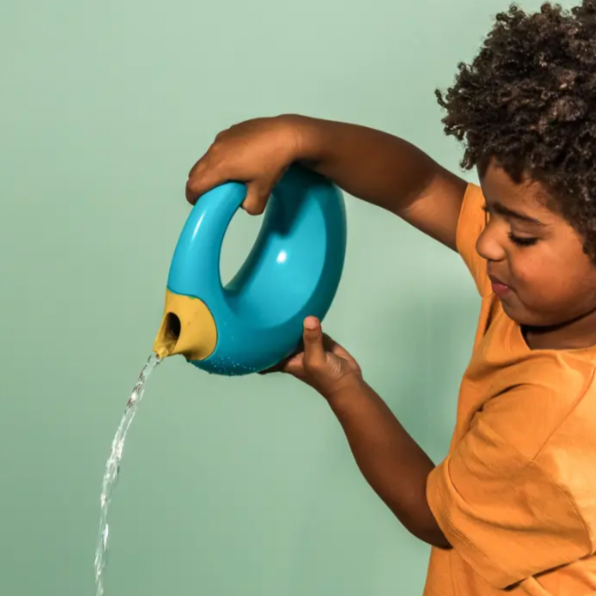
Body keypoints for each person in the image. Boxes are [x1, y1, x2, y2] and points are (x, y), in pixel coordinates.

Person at [185, 2, 596, 594]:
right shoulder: (544, 290)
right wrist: (301, 135)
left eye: (521, 233)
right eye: (493, 211)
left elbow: (432, 514)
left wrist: (344, 388)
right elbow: (424, 187)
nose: (485, 240)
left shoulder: (556, 421)